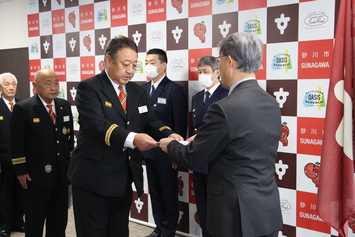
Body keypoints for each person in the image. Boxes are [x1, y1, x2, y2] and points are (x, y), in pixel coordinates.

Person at [160, 32, 283, 237]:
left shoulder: (223, 108)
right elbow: (244, 142)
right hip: (266, 210)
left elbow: (192, 156)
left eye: (220, 60)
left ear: (230, 61)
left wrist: (169, 145)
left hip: (234, 216)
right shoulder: (271, 102)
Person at [67, 36, 183, 237]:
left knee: (119, 231)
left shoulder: (138, 91)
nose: (130, 70)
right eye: (125, 64)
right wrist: (133, 139)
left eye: (134, 65)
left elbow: (150, 121)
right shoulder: (89, 88)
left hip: (123, 178)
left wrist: (169, 133)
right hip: (93, 180)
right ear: (108, 61)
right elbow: (98, 125)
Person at [9, 68, 74, 237]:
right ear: (35, 86)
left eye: (56, 82)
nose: (53, 87)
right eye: (48, 83)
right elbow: (16, 143)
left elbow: (69, 141)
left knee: (59, 220)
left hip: (61, 174)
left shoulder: (64, 106)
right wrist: (21, 171)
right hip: (36, 176)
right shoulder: (24, 108)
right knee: (35, 220)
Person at [141, 48, 187, 237]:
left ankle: (168, 231)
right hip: (148, 151)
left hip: (167, 154)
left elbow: (180, 125)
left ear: (163, 66)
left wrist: (178, 153)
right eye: (146, 62)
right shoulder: (142, 90)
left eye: (152, 62)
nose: (148, 66)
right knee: (156, 194)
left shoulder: (174, 90)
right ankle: (159, 227)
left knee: (168, 194)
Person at [190, 56, 228, 237]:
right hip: (199, 162)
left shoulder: (227, 95)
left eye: (205, 71)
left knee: (218, 211)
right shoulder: (197, 98)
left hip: (217, 163)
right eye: (199, 71)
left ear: (217, 73)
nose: (201, 75)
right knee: (203, 208)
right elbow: (193, 129)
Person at [0, 73, 24, 237]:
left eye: (13, 84)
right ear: (1, 87)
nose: (11, 87)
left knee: (21, 192)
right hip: (3, 159)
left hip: (22, 159)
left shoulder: (23, 106)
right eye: (7, 84)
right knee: (4, 194)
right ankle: (4, 225)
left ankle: (18, 222)